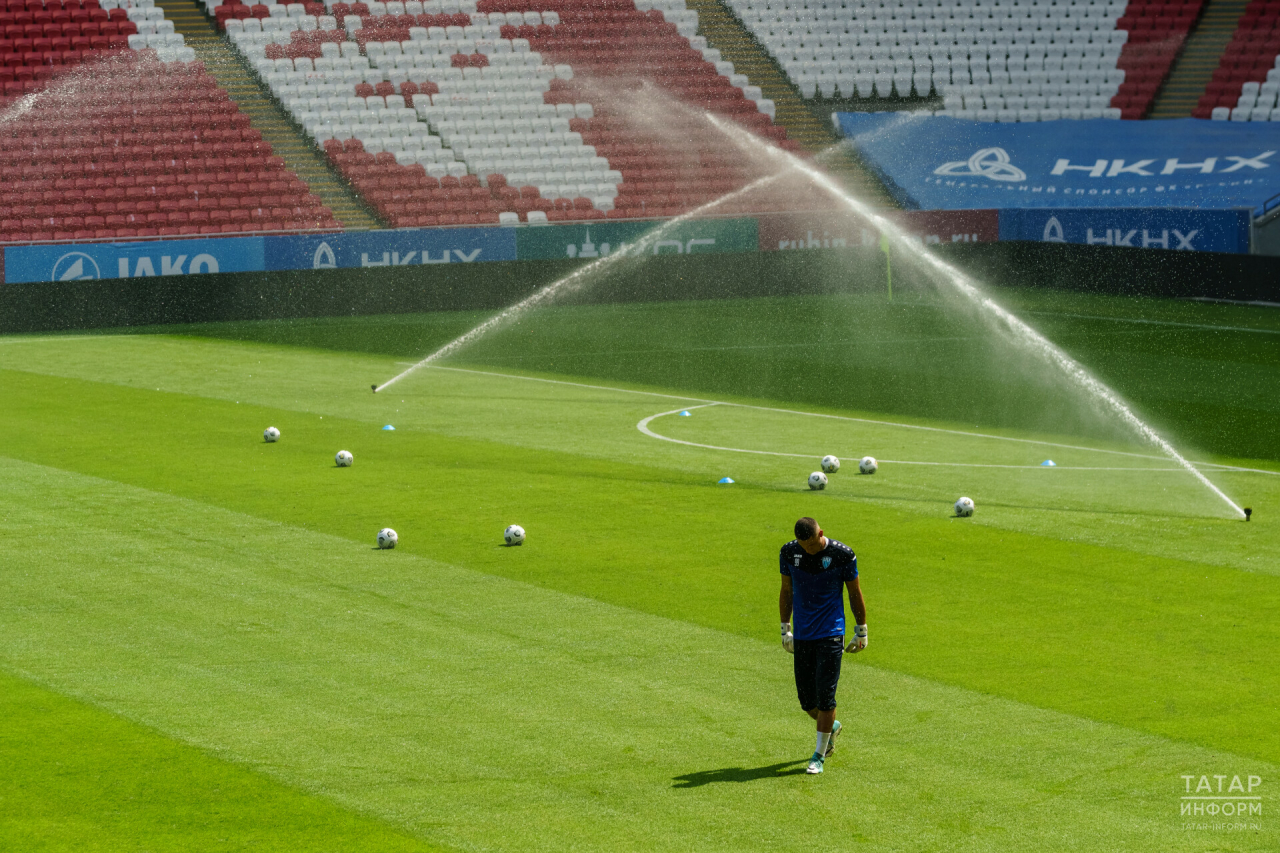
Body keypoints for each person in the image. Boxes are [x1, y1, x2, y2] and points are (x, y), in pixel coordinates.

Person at [779, 516, 867, 775]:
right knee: (807, 703)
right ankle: (832, 728)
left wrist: (861, 630)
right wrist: (786, 628)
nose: (809, 551)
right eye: (803, 547)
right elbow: (786, 590)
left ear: (821, 534)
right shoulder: (788, 552)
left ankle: (819, 754)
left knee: (826, 696)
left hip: (831, 632)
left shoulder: (843, 555)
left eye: (812, 546)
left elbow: (854, 593)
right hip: (803, 634)